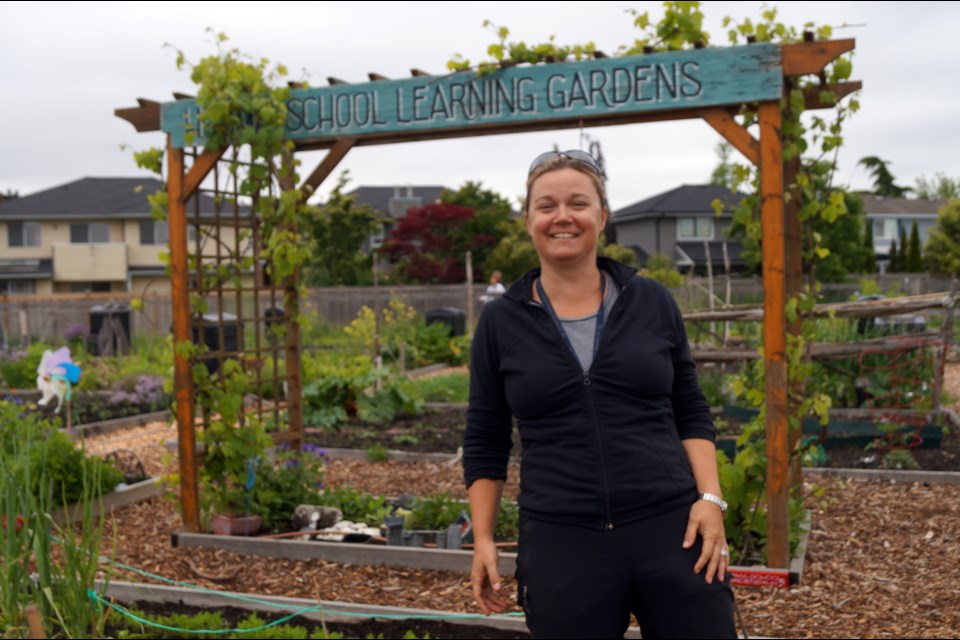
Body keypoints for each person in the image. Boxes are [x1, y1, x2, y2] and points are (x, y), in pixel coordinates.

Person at [463, 150, 736, 639]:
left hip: (672, 529)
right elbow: (486, 438)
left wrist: (710, 499)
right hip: (562, 541)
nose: (562, 216)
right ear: (528, 220)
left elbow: (690, 407)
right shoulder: (501, 322)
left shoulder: (652, 301)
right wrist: (483, 539)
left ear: (602, 217)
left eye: (578, 203)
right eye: (546, 205)